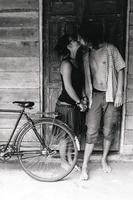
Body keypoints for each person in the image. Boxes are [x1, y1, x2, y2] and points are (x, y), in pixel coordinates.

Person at [80, 24, 126, 180]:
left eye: (83, 38)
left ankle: (103, 159)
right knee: (91, 130)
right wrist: (84, 95)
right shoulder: (86, 54)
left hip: (111, 96)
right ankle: (85, 166)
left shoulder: (110, 49)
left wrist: (119, 92)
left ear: (90, 37)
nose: (81, 41)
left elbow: (121, 69)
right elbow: (85, 77)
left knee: (108, 130)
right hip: (95, 96)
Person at [53, 33, 88, 169]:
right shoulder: (66, 64)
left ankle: (70, 160)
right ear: (69, 46)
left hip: (74, 105)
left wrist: (83, 98)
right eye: (75, 41)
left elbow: (80, 85)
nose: (78, 42)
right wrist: (79, 102)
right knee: (64, 136)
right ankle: (63, 162)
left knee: (71, 135)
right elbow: (68, 87)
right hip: (65, 105)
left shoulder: (77, 62)